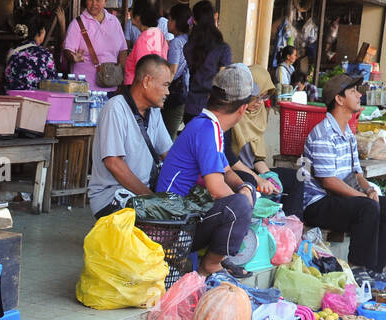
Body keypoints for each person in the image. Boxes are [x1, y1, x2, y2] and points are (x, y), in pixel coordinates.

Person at [299, 73, 386, 287]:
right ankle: (358, 268)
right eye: (353, 91)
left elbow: (357, 172)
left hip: (341, 199)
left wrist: (369, 191)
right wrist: (363, 198)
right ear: (339, 99)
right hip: (317, 203)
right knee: (367, 208)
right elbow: (328, 181)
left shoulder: (347, 131)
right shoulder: (323, 133)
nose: (359, 95)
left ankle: (374, 269)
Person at [156, 65, 258, 277]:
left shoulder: (211, 126)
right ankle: (210, 265)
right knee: (238, 206)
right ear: (242, 109)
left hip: (186, 216)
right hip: (172, 225)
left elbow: (227, 172)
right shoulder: (206, 129)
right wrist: (243, 210)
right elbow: (216, 189)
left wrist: (244, 187)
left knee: (247, 191)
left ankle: (221, 257)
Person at [88, 55, 172, 217]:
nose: (167, 92)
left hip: (139, 196)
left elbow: (168, 153)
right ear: (147, 81)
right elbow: (114, 163)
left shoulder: (154, 112)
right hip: (111, 198)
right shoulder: (115, 108)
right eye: (165, 85)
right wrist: (151, 198)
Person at [224, 63, 281, 198]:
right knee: (249, 182)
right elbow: (228, 158)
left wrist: (268, 176)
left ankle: (287, 218)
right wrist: (258, 179)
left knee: (294, 179)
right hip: (232, 170)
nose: (260, 102)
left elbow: (255, 158)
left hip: (250, 169)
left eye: (265, 97)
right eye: (258, 96)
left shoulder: (258, 115)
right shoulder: (231, 115)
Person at [181, 1, 231, 126]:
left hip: (191, 108)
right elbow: (222, 82)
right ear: (214, 18)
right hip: (212, 111)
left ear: (195, 21)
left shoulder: (188, 47)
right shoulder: (223, 49)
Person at [63, 0, 126, 94]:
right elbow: (68, 50)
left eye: (98, 0)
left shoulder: (114, 21)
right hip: (84, 89)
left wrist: (122, 81)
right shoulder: (77, 23)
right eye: (90, 0)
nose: (94, 3)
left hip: (112, 87)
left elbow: (122, 50)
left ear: (105, 1)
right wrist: (73, 57)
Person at [4, 13, 59, 91]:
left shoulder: (12, 52)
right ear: (41, 32)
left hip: (14, 100)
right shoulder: (45, 55)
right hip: (38, 101)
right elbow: (53, 84)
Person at [162, 3, 192, 135]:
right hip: (185, 93)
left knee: (168, 136)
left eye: (169, 19)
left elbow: (172, 71)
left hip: (175, 95)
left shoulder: (176, 43)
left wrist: (162, 88)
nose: (167, 23)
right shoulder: (189, 40)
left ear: (175, 21)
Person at [124, 13, 167, 85]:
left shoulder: (144, 39)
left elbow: (142, 71)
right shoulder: (159, 33)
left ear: (138, 17)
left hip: (138, 87)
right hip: (154, 84)